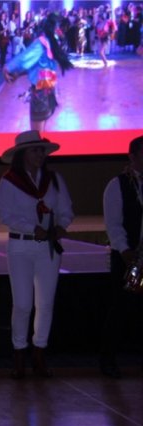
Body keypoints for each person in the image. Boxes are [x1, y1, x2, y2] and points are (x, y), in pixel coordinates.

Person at [0, 130, 73, 379]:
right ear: (22, 154)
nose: (40, 154)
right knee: (22, 303)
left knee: (46, 303)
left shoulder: (54, 179)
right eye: (35, 150)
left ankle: (39, 351)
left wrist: (61, 225)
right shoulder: (9, 181)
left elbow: (66, 209)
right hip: (20, 246)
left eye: (42, 150)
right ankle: (19, 352)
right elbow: (6, 215)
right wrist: (32, 228)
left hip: (48, 247)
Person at [99, 135, 143, 379]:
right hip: (131, 258)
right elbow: (113, 223)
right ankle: (108, 359)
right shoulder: (118, 185)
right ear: (132, 156)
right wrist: (125, 250)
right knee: (121, 307)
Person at [3, 13, 73, 132]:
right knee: (41, 129)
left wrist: (8, 67)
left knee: (36, 134)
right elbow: (39, 65)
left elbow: (24, 58)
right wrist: (18, 74)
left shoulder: (42, 43)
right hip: (49, 90)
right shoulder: (54, 43)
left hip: (40, 93)